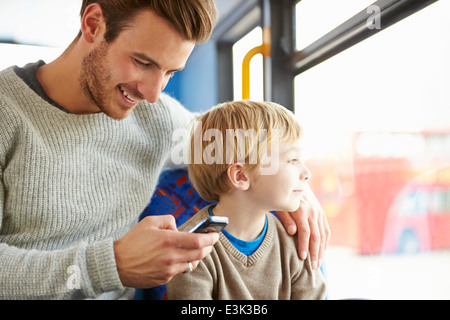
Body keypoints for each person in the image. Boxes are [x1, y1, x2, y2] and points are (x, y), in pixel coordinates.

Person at [0, 0, 329, 300]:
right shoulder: (6, 115)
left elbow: (243, 145)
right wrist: (110, 265)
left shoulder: (154, 117)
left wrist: (298, 187)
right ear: (93, 24)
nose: (153, 93)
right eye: (143, 62)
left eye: (170, 72)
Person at [166, 100, 327, 300]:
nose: (307, 173)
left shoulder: (294, 240)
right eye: (292, 160)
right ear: (241, 176)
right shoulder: (192, 250)